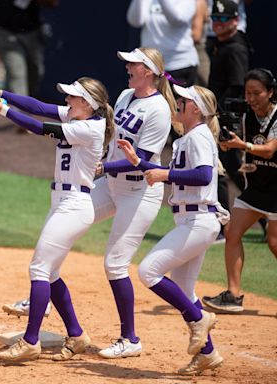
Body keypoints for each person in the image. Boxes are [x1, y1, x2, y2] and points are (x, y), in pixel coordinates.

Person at [0, 76, 114, 362]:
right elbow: (40, 107)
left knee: (39, 269)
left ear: (87, 103)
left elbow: (40, 126)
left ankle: (31, 341)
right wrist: (4, 93)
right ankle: (77, 335)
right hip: (61, 202)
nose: (66, 100)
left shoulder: (90, 127)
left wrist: (3, 110)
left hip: (75, 205)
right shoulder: (78, 114)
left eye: (71, 97)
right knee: (50, 272)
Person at [116, 84, 226, 375]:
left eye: (183, 100)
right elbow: (180, 175)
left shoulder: (200, 135)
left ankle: (198, 319)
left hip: (200, 221)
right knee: (184, 289)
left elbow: (203, 175)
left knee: (148, 271)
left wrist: (164, 173)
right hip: (189, 220)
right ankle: (208, 353)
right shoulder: (187, 138)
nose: (177, 102)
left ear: (196, 109)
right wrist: (139, 162)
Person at [94, 47, 176, 359]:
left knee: (115, 263)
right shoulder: (126, 96)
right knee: (68, 218)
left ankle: (130, 338)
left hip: (139, 194)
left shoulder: (158, 111)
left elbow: (140, 162)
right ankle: (43, 295)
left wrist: (103, 167)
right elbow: (113, 140)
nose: (127, 67)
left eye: (134, 64)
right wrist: (99, 159)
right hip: (111, 185)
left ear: (149, 71)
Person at [203, 68, 277, 313]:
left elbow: (268, 150)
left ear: (271, 93)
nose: (252, 98)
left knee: (274, 243)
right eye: (248, 93)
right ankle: (233, 295)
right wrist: (226, 144)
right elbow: (238, 147)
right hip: (256, 188)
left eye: (257, 93)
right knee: (232, 232)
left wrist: (240, 145)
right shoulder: (247, 117)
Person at [207, 0, 252, 235]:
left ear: (235, 20)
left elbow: (236, 88)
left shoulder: (235, 48)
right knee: (229, 170)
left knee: (229, 170)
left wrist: (222, 120)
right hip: (218, 116)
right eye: (215, 18)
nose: (218, 23)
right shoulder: (220, 44)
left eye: (224, 19)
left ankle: (226, 227)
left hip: (226, 120)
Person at [0, 0, 58, 97]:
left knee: (35, 72)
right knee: (16, 74)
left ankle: (23, 104)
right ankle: (19, 108)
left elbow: (52, 3)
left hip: (32, 32)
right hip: (5, 32)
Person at [127, 0, 199, 86]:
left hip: (179, 65)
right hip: (151, 66)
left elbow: (176, 20)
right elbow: (135, 22)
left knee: (175, 99)